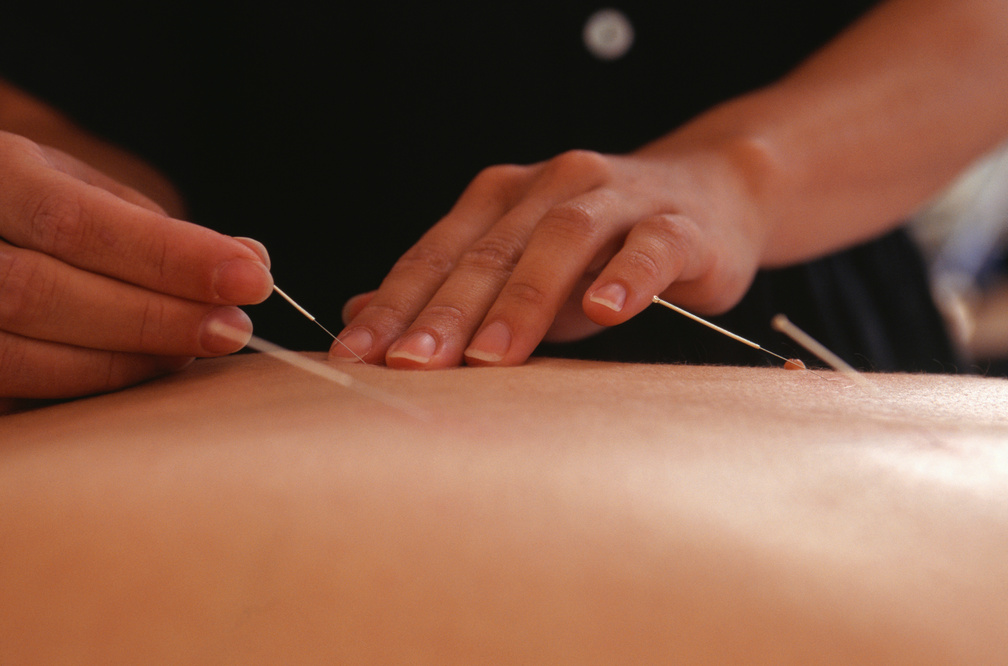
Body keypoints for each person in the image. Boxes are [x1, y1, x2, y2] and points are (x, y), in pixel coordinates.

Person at [0, 0, 1005, 407]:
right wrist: (54, 227)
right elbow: (51, 88)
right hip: (230, 377)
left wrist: (742, 176)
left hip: (824, 339)